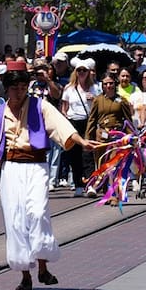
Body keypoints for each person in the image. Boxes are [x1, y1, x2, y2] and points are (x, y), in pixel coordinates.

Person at [0, 57, 100, 290]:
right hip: (11, 168)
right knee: (15, 220)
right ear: (7, 87)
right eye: (15, 87)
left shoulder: (40, 106)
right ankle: (25, 275)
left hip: (36, 166)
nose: (19, 91)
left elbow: (61, 125)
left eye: (23, 87)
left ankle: (43, 267)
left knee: (37, 212)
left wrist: (81, 141)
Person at [60, 59, 95, 197]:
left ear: (88, 72)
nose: (81, 73)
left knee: (88, 154)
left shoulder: (94, 88)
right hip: (73, 122)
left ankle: (91, 184)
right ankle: (78, 184)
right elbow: (64, 108)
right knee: (74, 155)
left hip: (87, 122)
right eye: (79, 70)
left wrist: (93, 99)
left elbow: (98, 106)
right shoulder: (69, 89)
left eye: (84, 70)